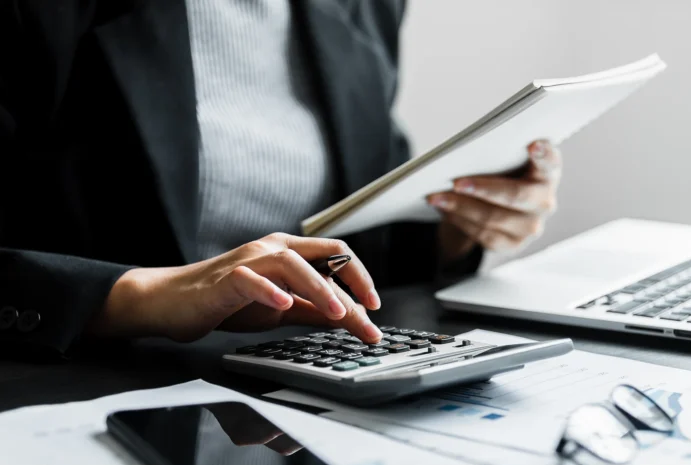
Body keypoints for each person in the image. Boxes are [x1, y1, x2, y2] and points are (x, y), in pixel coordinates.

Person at [0, 0, 562, 358]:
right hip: (71, 384)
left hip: (300, 375)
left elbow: (349, 246)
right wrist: (144, 296)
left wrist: (458, 230)